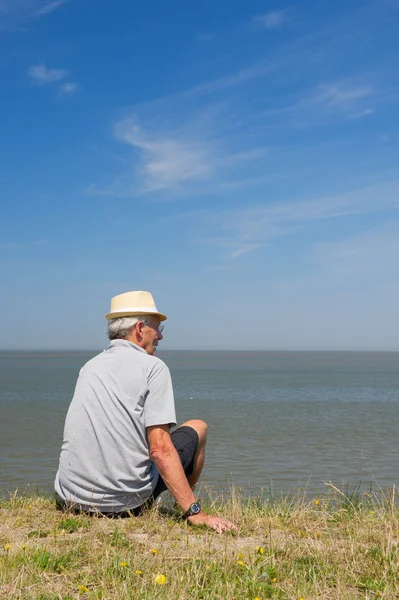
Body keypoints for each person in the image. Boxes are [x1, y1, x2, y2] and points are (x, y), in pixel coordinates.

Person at [55, 290, 236, 534]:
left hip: (70, 500)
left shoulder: (90, 367)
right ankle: (185, 507)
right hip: (124, 507)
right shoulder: (153, 367)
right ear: (140, 329)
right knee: (198, 427)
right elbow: (159, 449)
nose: (160, 336)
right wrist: (197, 513)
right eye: (158, 328)